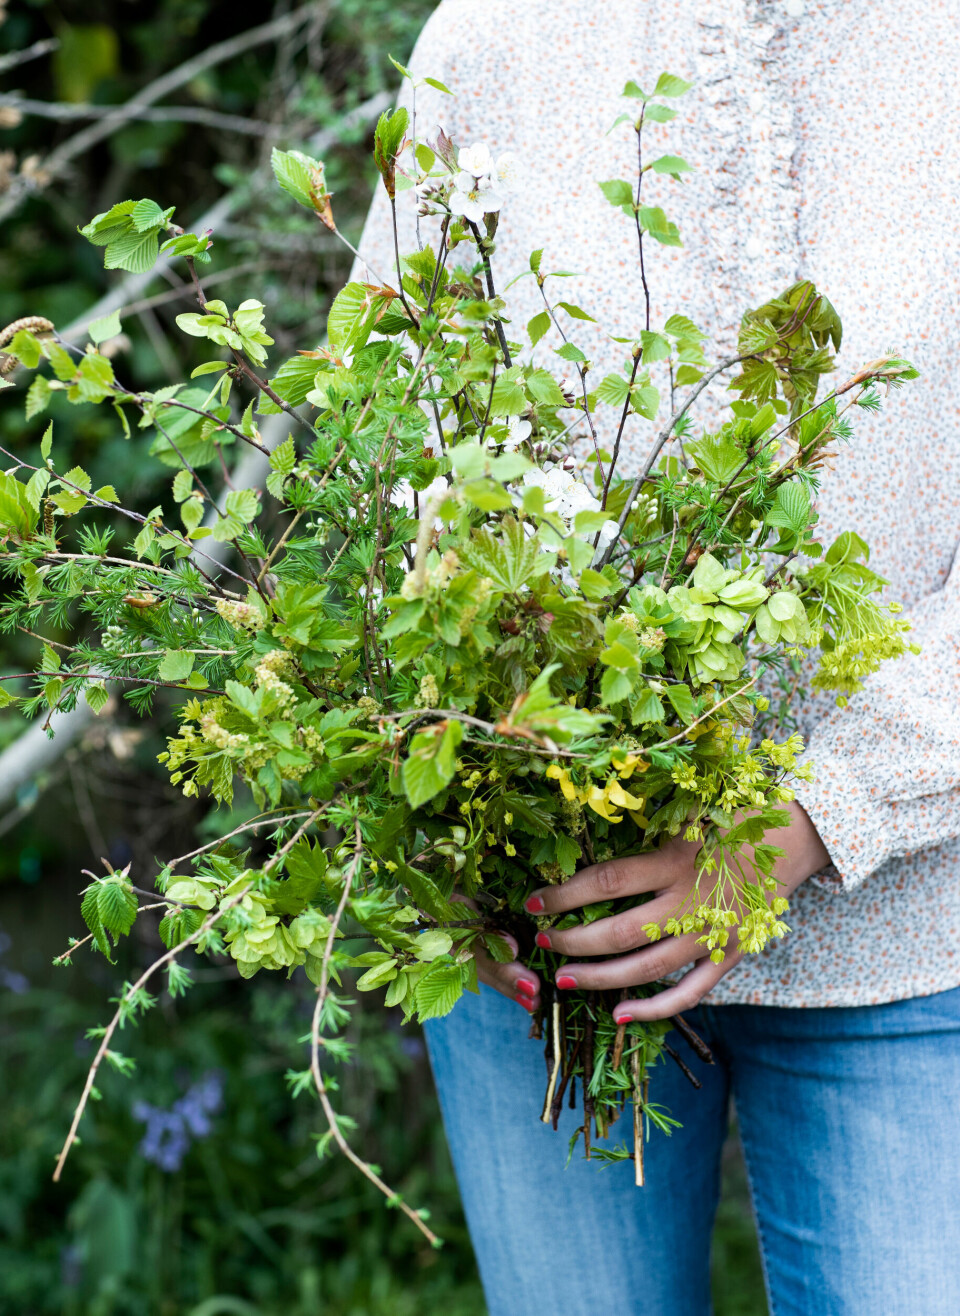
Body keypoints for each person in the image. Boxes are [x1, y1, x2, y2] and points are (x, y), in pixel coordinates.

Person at [357, 3, 960, 1312]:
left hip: (912, 940)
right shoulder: (496, 36)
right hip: (555, 930)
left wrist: (804, 819)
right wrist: (486, 774)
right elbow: (391, 437)